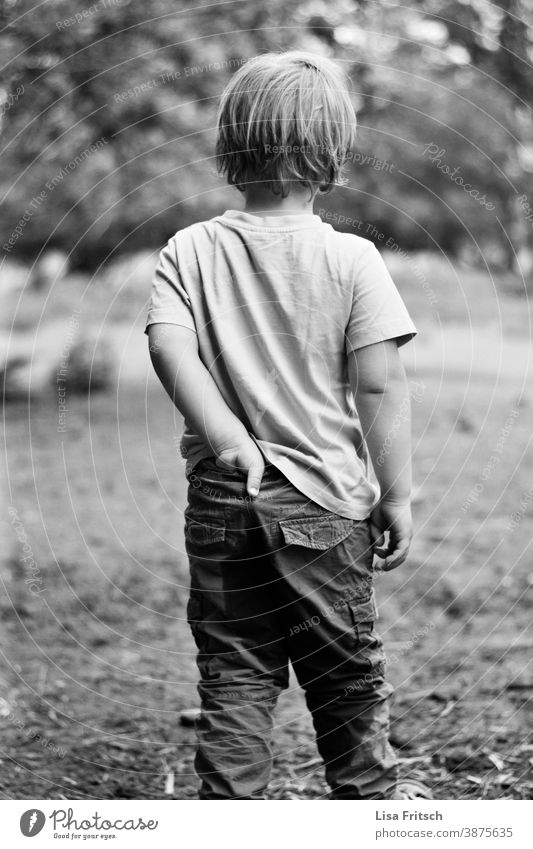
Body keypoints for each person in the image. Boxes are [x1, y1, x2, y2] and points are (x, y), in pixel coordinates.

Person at [146, 51, 429, 800]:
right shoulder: (352, 259)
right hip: (326, 507)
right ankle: (366, 802)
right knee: (344, 675)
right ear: (331, 153)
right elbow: (376, 380)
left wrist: (229, 440)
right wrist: (395, 494)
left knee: (236, 667)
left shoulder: (190, 249)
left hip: (219, 499)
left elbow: (169, 349)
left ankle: (231, 808)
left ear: (228, 144)